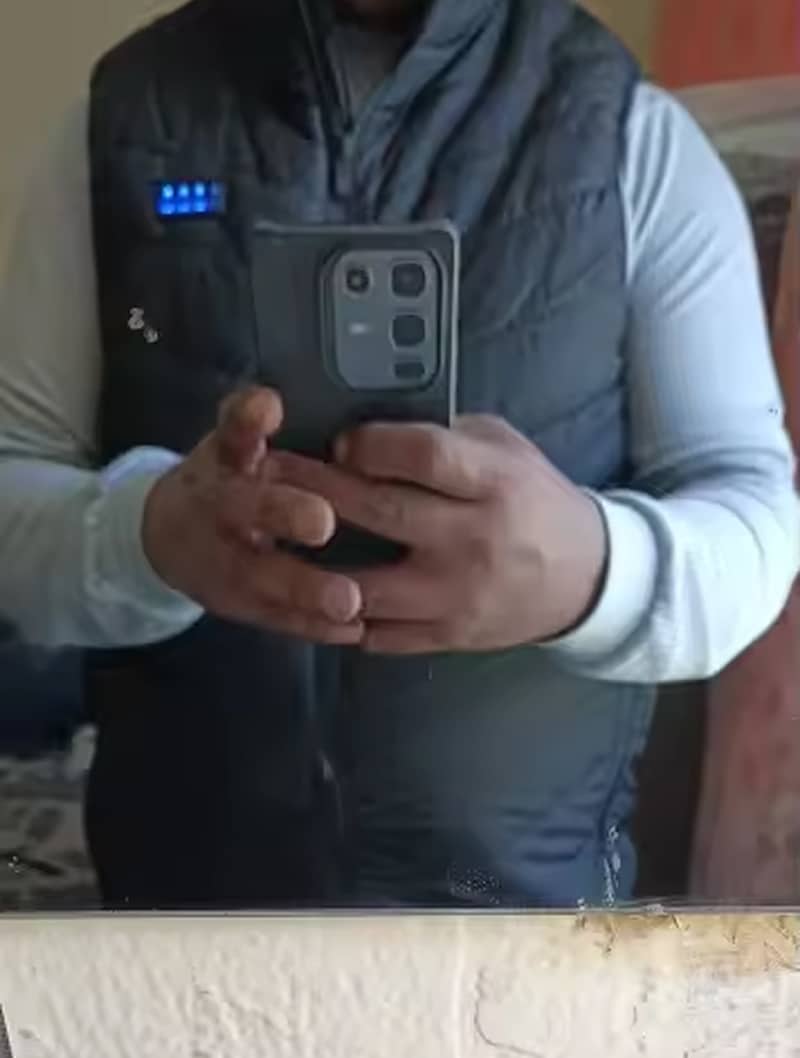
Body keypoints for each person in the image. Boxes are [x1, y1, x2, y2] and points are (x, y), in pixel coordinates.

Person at [0, 0, 797, 910]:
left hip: (524, 931)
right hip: (182, 922)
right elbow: (14, 482)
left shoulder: (636, 139)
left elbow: (756, 522)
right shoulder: (119, 128)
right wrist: (143, 536)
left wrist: (590, 568)